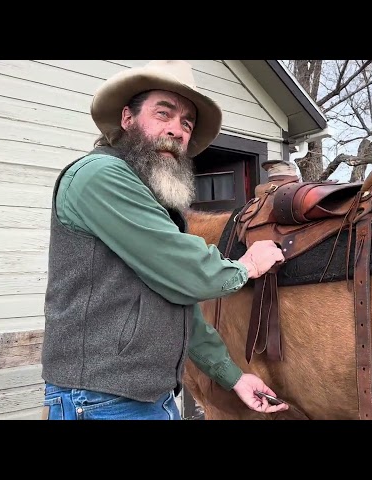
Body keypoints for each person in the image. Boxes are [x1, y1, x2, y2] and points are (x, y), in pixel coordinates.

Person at [40, 60, 289, 420]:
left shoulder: (147, 196)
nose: (177, 130)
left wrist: (233, 377)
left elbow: (177, 300)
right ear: (127, 118)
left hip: (144, 398)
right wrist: (247, 265)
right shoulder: (99, 176)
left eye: (186, 123)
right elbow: (186, 271)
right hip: (98, 400)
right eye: (164, 114)